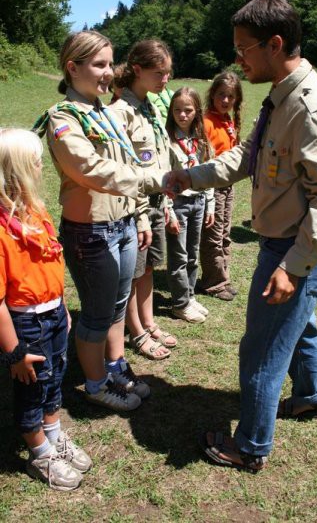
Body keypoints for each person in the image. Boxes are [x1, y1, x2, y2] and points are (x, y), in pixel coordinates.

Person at [162, 0, 317, 472]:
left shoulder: (312, 109)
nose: (238, 59)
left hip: (296, 247)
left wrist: (293, 267)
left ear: (275, 44)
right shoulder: (279, 96)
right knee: (297, 324)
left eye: (244, 49)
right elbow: (245, 158)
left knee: (263, 347)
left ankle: (249, 446)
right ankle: (311, 395)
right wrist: (193, 175)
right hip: (284, 242)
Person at [32, 30, 150, 412]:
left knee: (117, 307)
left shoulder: (104, 111)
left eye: (109, 63)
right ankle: (96, 384)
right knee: (98, 314)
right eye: (99, 65)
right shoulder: (63, 118)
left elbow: (130, 161)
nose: (108, 73)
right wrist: (151, 182)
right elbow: (90, 169)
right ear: (73, 68)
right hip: (92, 233)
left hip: (124, 223)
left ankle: (113, 366)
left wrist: (142, 212)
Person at [0, 128, 91, 491]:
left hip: (52, 315)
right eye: (36, 161)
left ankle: (53, 434)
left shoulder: (36, 212)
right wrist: (15, 352)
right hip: (25, 324)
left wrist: (62, 306)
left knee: (54, 380)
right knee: (31, 389)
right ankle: (39, 452)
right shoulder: (3, 231)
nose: (42, 166)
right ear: (16, 170)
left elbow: (52, 264)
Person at [110, 39, 177, 360]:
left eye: (168, 72)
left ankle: (148, 322)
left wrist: (165, 204)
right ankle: (135, 331)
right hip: (135, 206)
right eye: (160, 73)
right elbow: (125, 171)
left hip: (155, 202)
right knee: (133, 272)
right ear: (137, 69)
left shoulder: (150, 103)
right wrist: (141, 215)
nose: (166, 79)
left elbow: (159, 158)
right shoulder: (120, 111)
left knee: (149, 267)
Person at [165, 87, 215, 323]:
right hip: (177, 204)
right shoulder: (166, 139)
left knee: (193, 253)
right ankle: (180, 304)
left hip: (199, 201)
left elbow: (210, 171)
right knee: (179, 256)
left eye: (188, 110)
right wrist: (168, 210)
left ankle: (190, 295)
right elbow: (162, 178)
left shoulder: (201, 138)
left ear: (197, 112)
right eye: (177, 110)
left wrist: (211, 204)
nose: (182, 115)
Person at [198, 71, 243, 301]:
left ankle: (222, 276)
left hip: (228, 185)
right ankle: (213, 282)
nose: (225, 100)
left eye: (231, 97)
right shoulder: (206, 121)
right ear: (213, 94)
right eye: (221, 95)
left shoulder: (228, 120)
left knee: (224, 233)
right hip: (212, 187)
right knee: (213, 235)